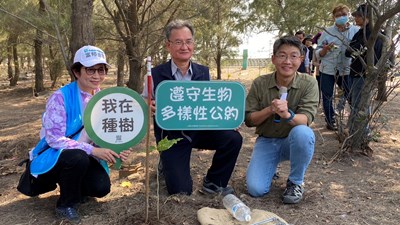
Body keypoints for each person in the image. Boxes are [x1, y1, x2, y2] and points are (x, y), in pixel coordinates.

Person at [28, 45, 131, 223]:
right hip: (58, 157)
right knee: (78, 157)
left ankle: (77, 188)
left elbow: (102, 134)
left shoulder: (104, 100)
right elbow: (54, 139)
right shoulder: (60, 97)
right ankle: (66, 204)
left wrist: (115, 149)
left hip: (83, 156)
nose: (97, 76)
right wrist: (92, 151)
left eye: (101, 70)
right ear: (77, 72)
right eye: (90, 70)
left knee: (100, 188)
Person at [143, 19, 242, 195]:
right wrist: (147, 106)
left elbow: (209, 105)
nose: (184, 46)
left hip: (200, 130)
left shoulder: (203, 72)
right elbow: (144, 103)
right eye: (178, 42)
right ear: (168, 45)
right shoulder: (155, 75)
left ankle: (214, 182)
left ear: (193, 44)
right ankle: (165, 163)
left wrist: (227, 120)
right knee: (181, 192)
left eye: (188, 41)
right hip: (171, 137)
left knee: (233, 138)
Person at [245, 36, 319, 204]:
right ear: (273, 59)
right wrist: (270, 110)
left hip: (291, 142)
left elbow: (306, 119)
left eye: (293, 56)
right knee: (255, 189)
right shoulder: (260, 83)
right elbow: (249, 119)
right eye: (282, 55)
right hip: (267, 140)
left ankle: (295, 182)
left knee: (303, 133)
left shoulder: (309, 83)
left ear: (301, 60)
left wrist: (287, 115)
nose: (287, 61)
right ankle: (270, 168)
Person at [315, 4, 359, 130]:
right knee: (327, 96)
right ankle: (330, 121)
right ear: (333, 17)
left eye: (344, 15)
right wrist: (325, 49)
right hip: (327, 69)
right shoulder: (327, 32)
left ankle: (354, 121)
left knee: (351, 96)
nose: (341, 17)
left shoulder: (356, 31)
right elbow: (318, 53)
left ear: (349, 15)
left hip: (347, 70)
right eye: (338, 15)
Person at [345, 3, 383, 133]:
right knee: (358, 104)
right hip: (355, 73)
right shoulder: (360, 33)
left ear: (366, 17)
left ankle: (360, 133)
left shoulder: (375, 34)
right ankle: (355, 131)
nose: (355, 19)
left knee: (360, 105)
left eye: (358, 16)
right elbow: (348, 52)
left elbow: (374, 55)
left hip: (364, 75)